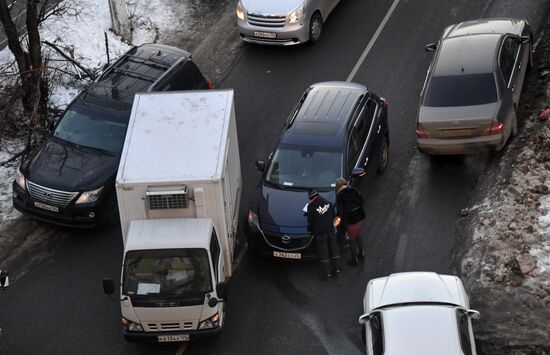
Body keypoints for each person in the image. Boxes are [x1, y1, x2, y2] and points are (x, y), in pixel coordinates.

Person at [306, 190, 341, 280]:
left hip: (320, 234)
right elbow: (333, 215)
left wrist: (312, 230)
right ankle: (337, 269)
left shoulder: (311, 207)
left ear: (311, 198)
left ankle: (327, 273)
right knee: (334, 249)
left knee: (323, 252)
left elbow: (310, 222)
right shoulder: (328, 203)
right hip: (330, 230)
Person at [335, 177, 365, 266]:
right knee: (358, 235)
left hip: (351, 220)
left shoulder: (340, 195)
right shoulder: (353, 189)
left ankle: (354, 260)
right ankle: (361, 254)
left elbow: (340, 211)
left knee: (352, 239)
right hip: (360, 216)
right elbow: (362, 200)